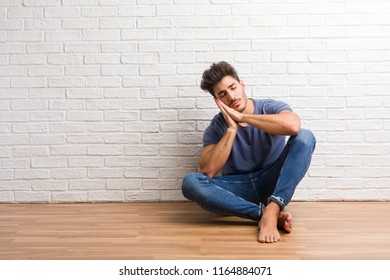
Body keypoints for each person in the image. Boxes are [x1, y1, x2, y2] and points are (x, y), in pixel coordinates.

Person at [181, 61, 316, 243]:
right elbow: (208, 171)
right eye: (223, 94)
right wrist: (231, 128)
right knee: (190, 182)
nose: (231, 96)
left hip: (272, 181)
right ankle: (263, 213)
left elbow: (293, 126)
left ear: (242, 84)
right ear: (218, 101)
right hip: (238, 188)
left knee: (305, 136)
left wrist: (244, 118)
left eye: (233, 87)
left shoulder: (269, 107)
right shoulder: (216, 127)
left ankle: (274, 206)